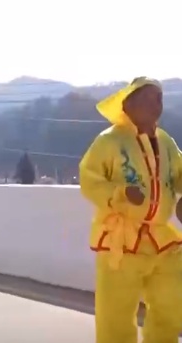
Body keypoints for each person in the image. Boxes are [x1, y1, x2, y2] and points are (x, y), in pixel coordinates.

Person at [78, 77, 182, 343]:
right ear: (129, 104)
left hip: (161, 238)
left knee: (172, 301)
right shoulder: (109, 141)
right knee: (117, 310)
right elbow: (90, 180)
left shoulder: (166, 141)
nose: (155, 105)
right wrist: (120, 194)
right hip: (120, 240)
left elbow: (179, 174)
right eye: (148, 99)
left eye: (159, 98)